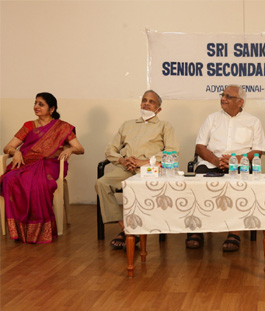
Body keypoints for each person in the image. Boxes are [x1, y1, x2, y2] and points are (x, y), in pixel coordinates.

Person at [95, 90, 179, 250]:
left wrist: (143, 162)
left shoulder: (165, 126)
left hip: (149, 169)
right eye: (144, 100)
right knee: (102, 183)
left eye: (151, 102)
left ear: (158, 109)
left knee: (141, 188)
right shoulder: (127, 125)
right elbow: (110, 149)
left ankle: (135, 229)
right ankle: (127, 228)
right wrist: (122, 160)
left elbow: (172, 152)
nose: (146, 103)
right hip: (126, 168)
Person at [188, 84, 265, 251]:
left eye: (228, 96)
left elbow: (258, 151)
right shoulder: (212, 119)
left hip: (240, 166)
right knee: (198, 185)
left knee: (238, 188)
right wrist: (218, 162)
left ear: (240, 102)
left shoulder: (253, 122)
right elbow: (200, 147)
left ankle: (234, 232)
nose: (223, 98)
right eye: (222, 95)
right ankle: (198, 230)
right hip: (211, 163)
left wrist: (235, 160)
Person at [0, 92, 84, 243]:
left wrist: (70, 149)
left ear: (51, 109)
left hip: (50, 165)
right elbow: (8, 147)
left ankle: (39, 229)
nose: (36, 107)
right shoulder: (28, 126)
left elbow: (80, 148)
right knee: (10, 179)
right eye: (35, 103)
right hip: (27, 163)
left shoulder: (63, 127)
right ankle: (19, 228)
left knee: (40, 183)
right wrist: (15, 152)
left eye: (41, 104)